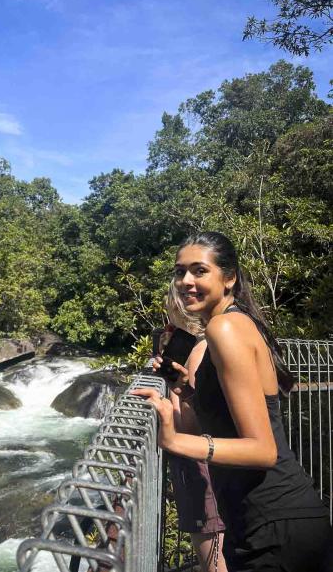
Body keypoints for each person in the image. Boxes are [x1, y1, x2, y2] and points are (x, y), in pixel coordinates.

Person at [133, 231, 332, 572]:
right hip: (267, 520)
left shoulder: (224, 329)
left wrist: (175, 440)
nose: (185, 281)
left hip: (274, 524)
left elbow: (262, 450)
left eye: (199, 270)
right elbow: (231, 417)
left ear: (229, 278)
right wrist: (184, 388)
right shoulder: (233, 324)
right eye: (179, 272)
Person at [159, 282, 228, 572]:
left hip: (200, 469)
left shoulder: (197, 351)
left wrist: (168, 403)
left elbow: (196, 423)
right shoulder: (198, 347)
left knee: (213, 560)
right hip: (201, 464)